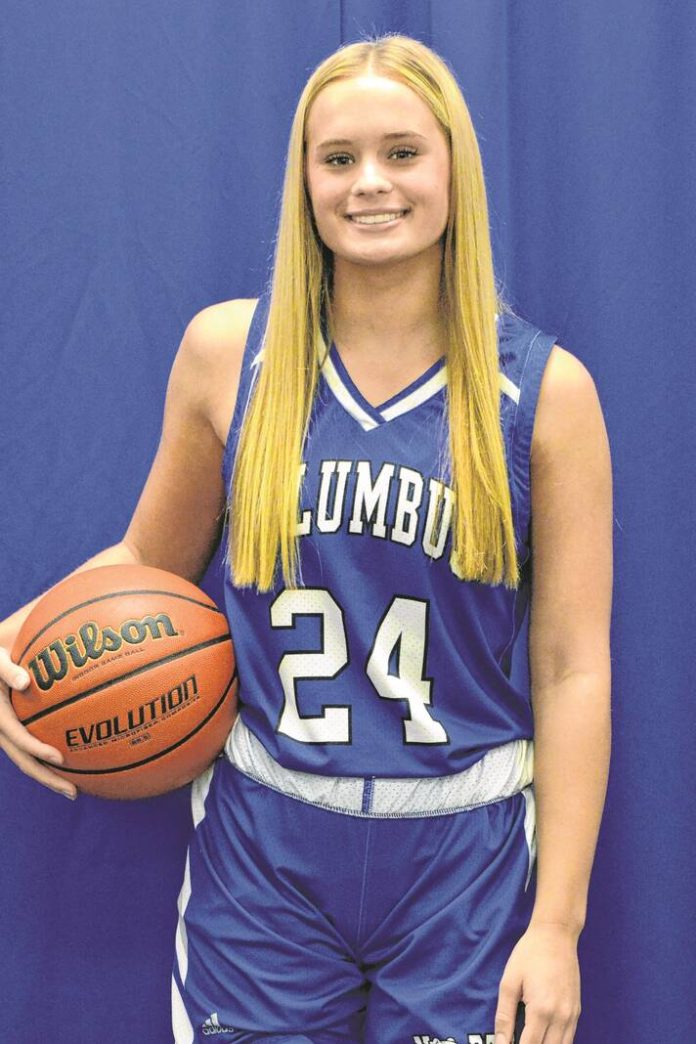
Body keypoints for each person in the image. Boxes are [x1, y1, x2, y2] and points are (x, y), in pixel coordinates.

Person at [0, 34, 612, 1044]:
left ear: (454, 168)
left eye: (402, 152)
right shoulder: (228, 355)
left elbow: (571, 665)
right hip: (267, 846)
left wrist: (558, 925)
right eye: (338, 158)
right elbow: (146, 565)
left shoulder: (545, 394)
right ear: (305, 182)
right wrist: (22, 645)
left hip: (464, 855)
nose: (370, 182)